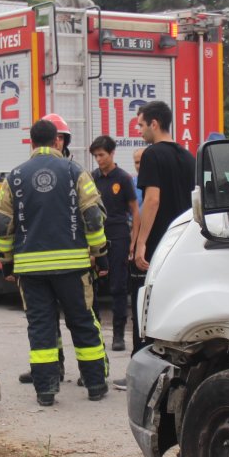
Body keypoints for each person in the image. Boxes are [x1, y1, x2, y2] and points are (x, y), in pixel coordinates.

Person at [0, 118, 110, 406]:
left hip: (30, 270)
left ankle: (45, 390)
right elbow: (93, 215)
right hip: (72, 267)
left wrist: (6, 262)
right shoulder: (75, 171)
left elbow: (2, 223)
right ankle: (95, 384)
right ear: (57, 141)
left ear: (31, 143)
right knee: (83, 322)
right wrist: (99, 252)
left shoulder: (15, 176)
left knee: (41, 326)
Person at [131, 100, 194, 353]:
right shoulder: (189, 156)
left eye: (141, 125)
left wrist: (141, 242)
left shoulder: (152, 155)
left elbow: (152, 199)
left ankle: (142, 361)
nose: (139, 130)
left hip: (159, 243)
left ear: (154, 124)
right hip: (183, 244)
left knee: (146, 305)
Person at [89, 135, 139, 352]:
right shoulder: (92, 179)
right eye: (96, 156)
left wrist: (134, 240)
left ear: (112, 154)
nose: (99, 159)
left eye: (102, 155)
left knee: (118, 286)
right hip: (97, 235)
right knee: (95, 286)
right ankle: (96, 332)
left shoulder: (123, 179)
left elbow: (135, 211)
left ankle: (118, 335)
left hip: (119, 235)